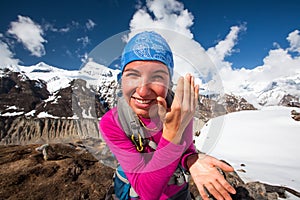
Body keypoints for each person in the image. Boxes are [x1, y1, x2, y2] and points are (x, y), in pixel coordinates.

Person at [99, 31, 236, 200]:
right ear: (121, 79)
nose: (142, 91)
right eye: (133, 75)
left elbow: (185, 149)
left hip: (178, 192)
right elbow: (147, 193)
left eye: (156, 77)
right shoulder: (113, 122)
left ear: (168, 83)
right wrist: (172, 132)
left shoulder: (180, 109)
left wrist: (192, 160)